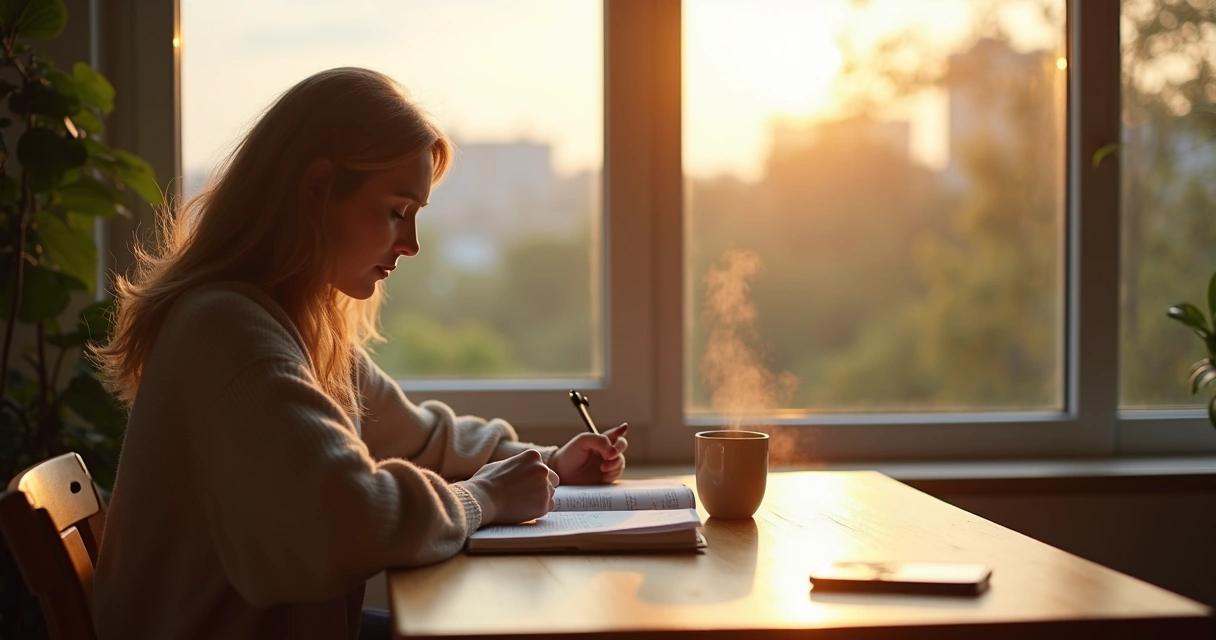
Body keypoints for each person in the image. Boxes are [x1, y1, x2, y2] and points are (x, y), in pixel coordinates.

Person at [89, 67, 628, 640]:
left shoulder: (291, 324)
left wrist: (549, 463)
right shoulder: (228, 333)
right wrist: (483, 499)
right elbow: (345, 519)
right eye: (397, 211)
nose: (412, 244)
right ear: (317, 189)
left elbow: (418, 438)